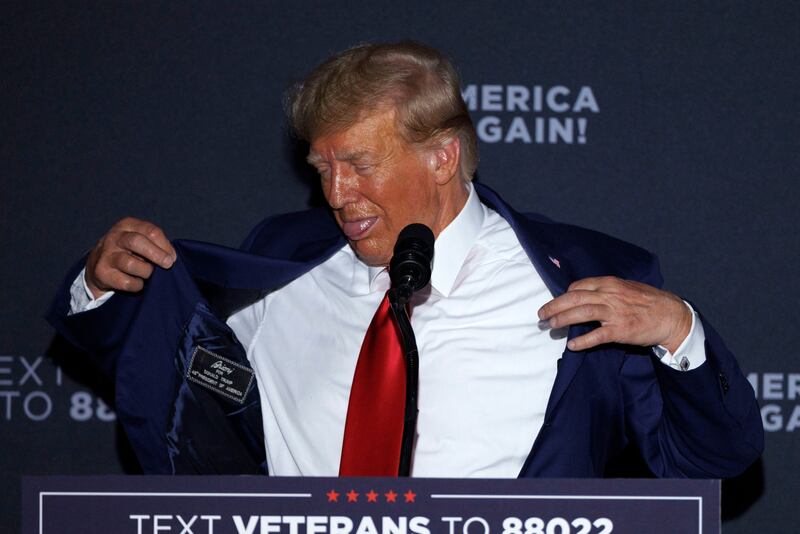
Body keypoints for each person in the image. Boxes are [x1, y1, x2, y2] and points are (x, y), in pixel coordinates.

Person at [48, 41, 763, 478]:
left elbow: (710, 460)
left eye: (359, 165)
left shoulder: (583, 278)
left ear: (442, 156)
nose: (336, 195)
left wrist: (681, 333)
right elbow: (170, 370)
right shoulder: (281, 255)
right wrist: (104, 284)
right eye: (322, 168)